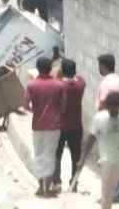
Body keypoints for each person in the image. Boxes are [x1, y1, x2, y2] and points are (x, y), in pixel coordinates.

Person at [25, 56, 67, 197]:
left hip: (37, 125)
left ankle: (40, 187)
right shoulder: (59, 85)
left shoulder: (32, 85)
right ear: (50, 69)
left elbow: (24, 104)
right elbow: (64, 106)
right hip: (54, 126)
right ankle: (47, 188)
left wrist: (34, 111)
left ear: (37, 68)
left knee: (39, 155)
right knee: (50, 155)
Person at [53, 59, 88, 191]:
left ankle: (56, 182)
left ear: (62, 71)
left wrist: (59, 73)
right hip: (76, 126)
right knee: (76, 156)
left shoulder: (58, 85)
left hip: (59, 126)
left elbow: (55, 79)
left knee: (57, 154)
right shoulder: (81, 84)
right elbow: (79, 77)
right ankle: (74, 184)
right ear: (74, 71)